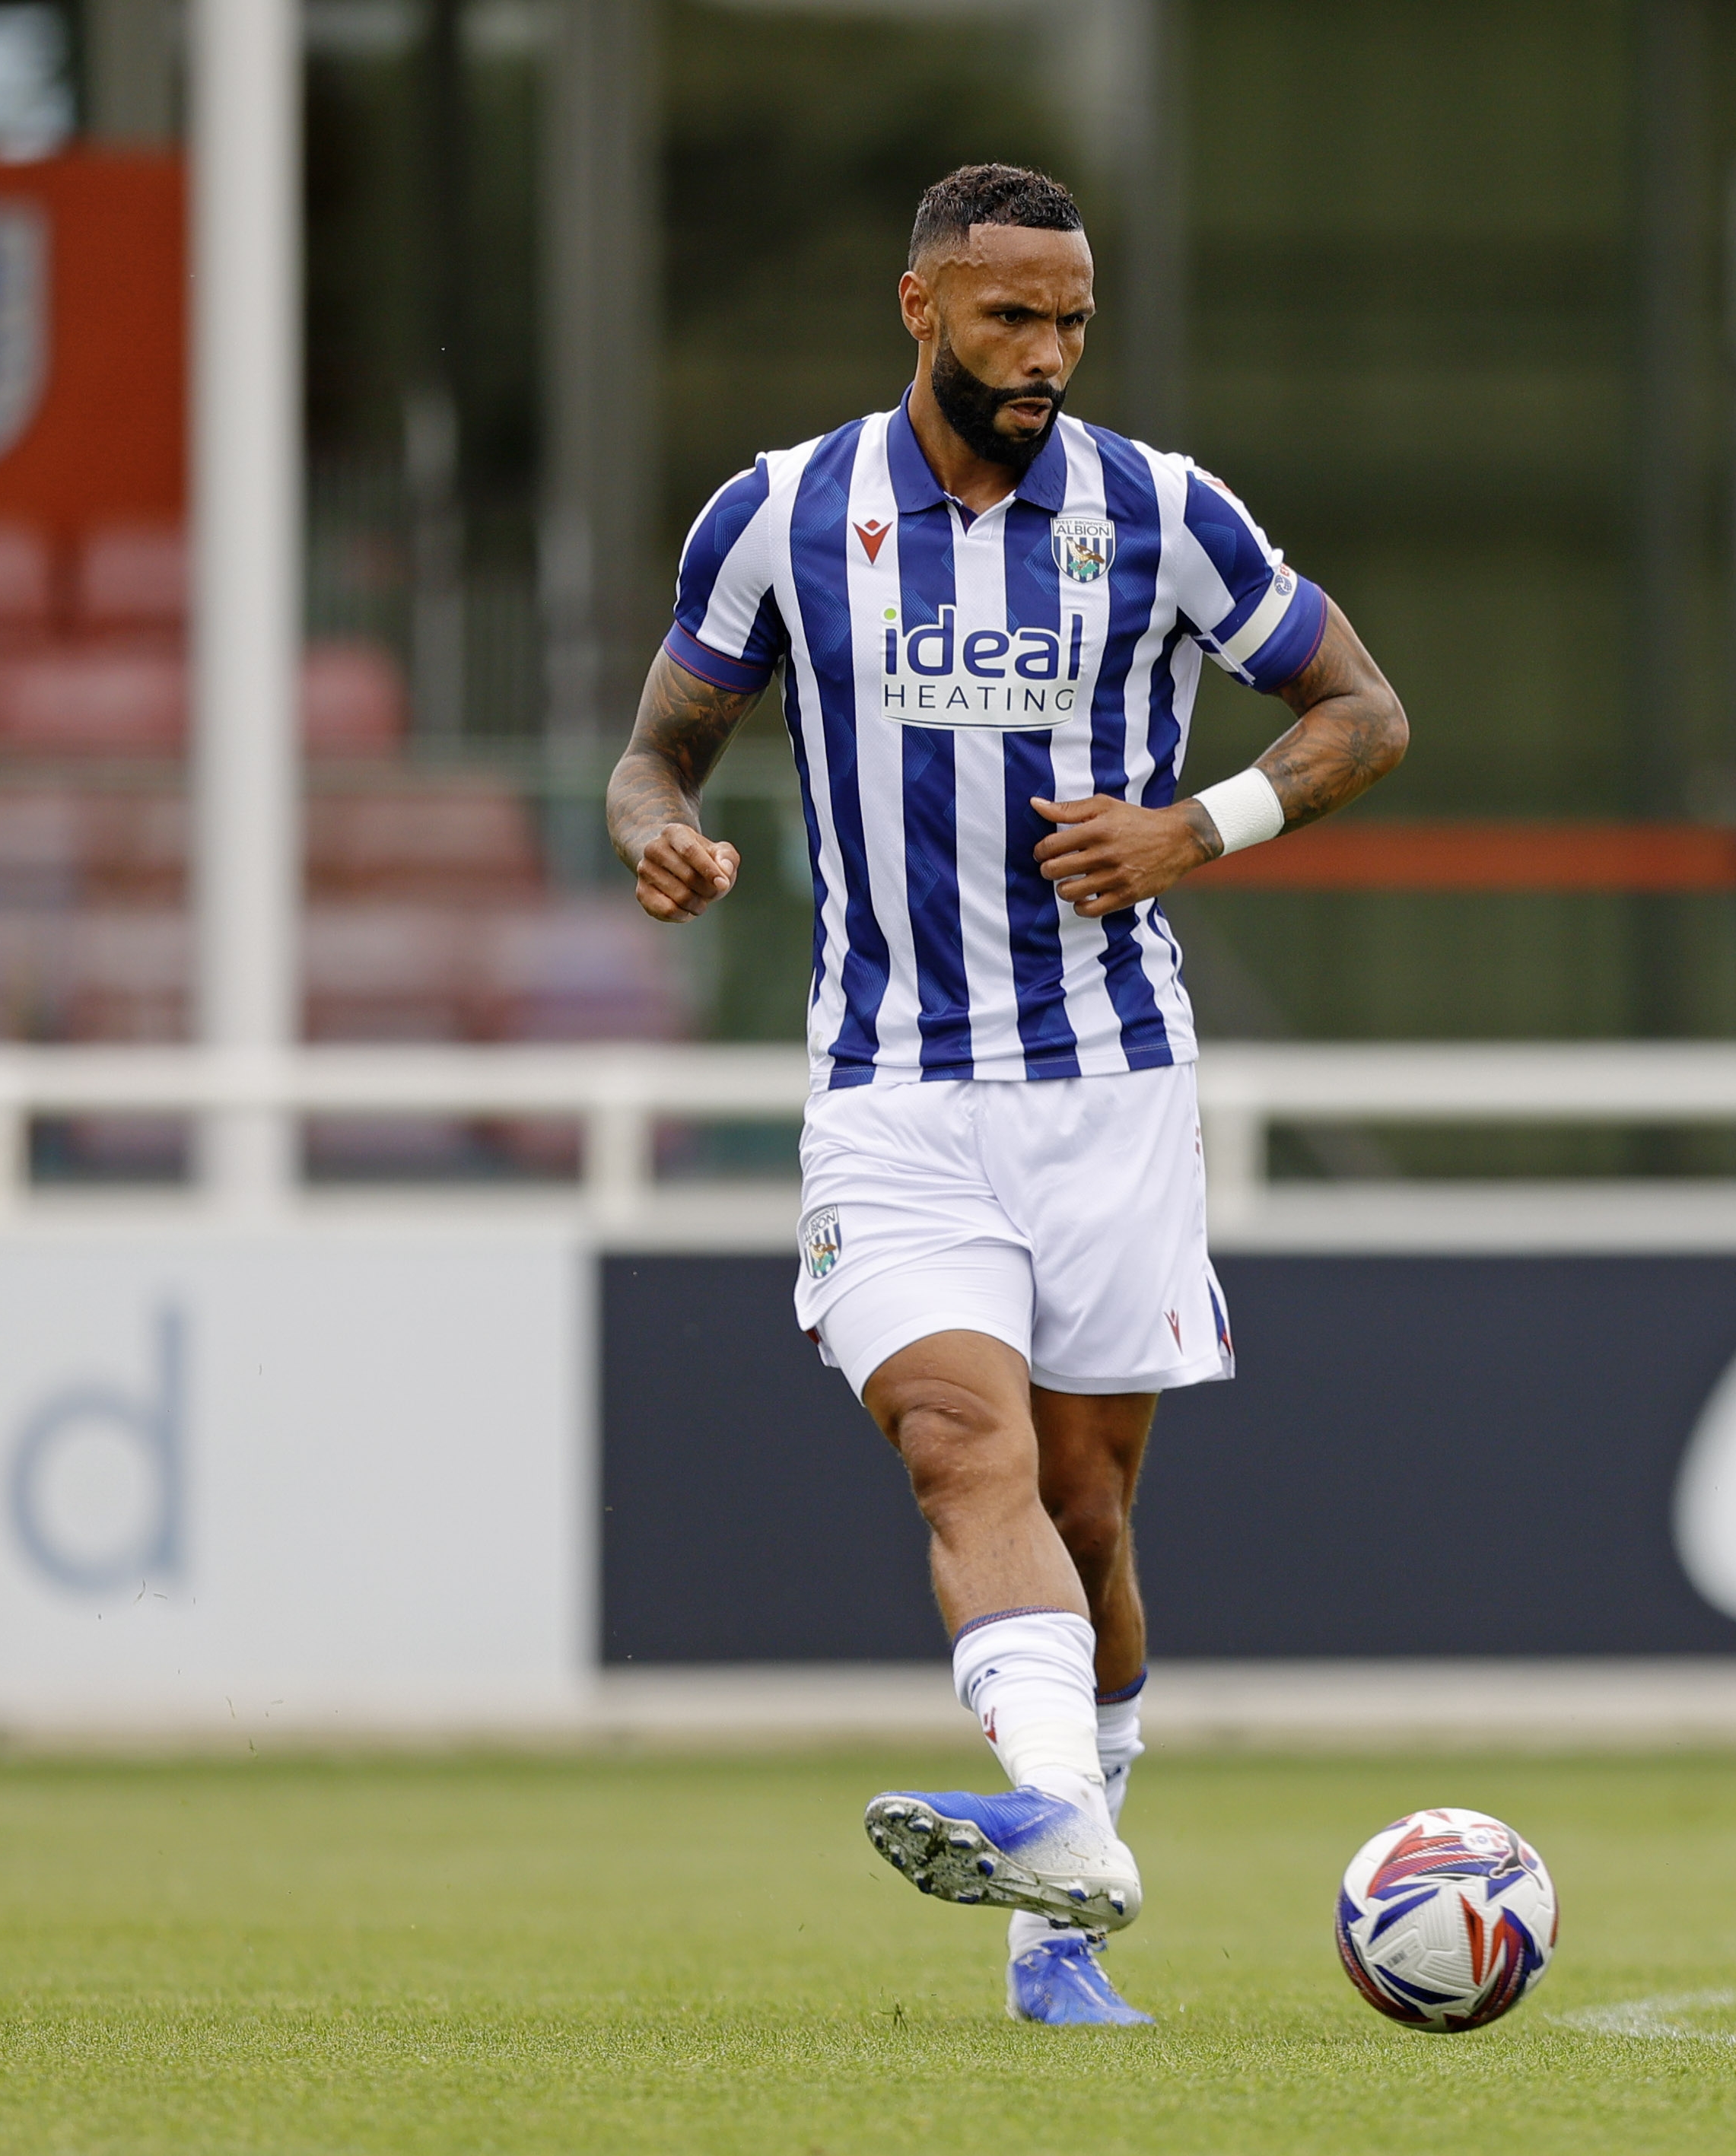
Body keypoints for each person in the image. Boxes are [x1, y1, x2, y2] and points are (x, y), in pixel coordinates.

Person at [604, 163, 1406, 2026]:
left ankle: (1060, 1902)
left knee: (1087, 1510)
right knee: (960, 1450)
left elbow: (1361, 708)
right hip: (888, 1090)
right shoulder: (783, 514)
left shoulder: (1159, 513)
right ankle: (1061, 1840)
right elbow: (658, 751)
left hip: (1110, 1087)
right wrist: (663, 841)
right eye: (1009, 319)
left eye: (1068, 323)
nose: (1043, 354)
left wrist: (1194, 825)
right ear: (919, 309)